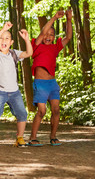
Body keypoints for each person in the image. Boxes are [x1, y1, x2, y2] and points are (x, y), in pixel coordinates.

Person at [28, 10, 73, 146]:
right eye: (47, 34)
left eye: (51, 35)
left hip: (52, 84)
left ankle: (53, 136)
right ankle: (33, 138)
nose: (48, 36)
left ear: (54, 37)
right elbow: (42, 33)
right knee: (41, 111)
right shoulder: (36, 46)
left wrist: (69, 19)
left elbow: (69, 37)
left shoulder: (55, 47)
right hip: (40, 84)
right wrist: (54, 18)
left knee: (56, 110)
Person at [0, 22, 32, 148]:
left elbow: (28, 53)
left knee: (22, 113)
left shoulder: (14, 53)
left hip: (14, 92)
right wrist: (3, 30)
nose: (3, 40)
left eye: (7, 38)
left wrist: (26, 39)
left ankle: (20, 138)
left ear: (11, 42)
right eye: (1, 38)